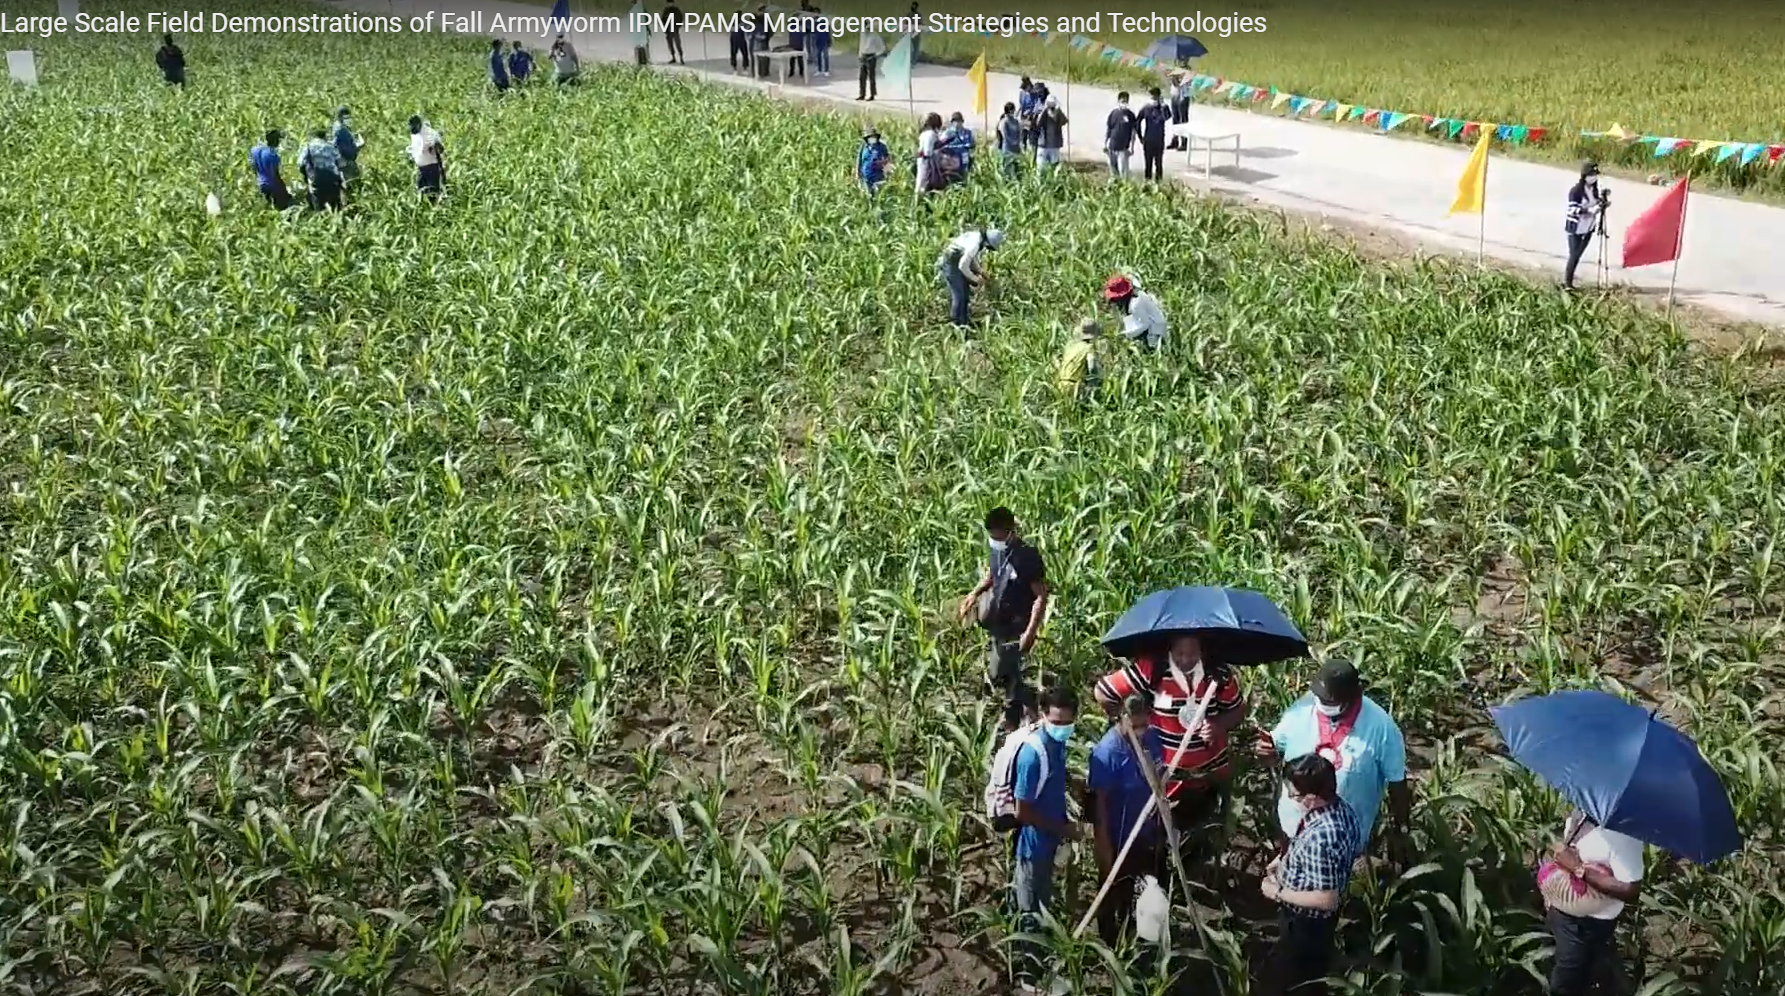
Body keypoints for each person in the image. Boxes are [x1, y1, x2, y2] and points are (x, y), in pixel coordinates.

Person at [1093, 634, 1249, 862]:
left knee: (1201, 835)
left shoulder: (1218, 674)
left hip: (1209, 775)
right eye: (1179, 654)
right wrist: (1127, 723)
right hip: (1165, 777)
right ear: (1169, 650)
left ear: (1203, 652)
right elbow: (1104, 692)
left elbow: (1237, 710)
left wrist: (1219, 726)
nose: (1185, 660)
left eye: (1192, 654)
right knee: (1160, 838)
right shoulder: (1152, 669)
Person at [1256, 660, 1412, 861]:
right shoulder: (1301, 709)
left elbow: (1397, 782)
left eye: (1331, 701)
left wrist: (1401, 827)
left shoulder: (1382, 728)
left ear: (1355, 695)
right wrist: (1267, 752)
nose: (1322, 705)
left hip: (1342, 840)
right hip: (1293, 827)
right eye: (1320, 698)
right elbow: (1276, 749)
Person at [1259, 754, 1363, 996]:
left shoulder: (1321, 838)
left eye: (1294, 794)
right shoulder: (1341, 809)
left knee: (1300, 980)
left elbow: (1327, 899)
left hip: (1306, 923)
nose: (1291, 799)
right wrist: (1284, 860)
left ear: (1312, 797)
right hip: (1315, 923)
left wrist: (1278, 893)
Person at [1009, 686, 1084, 994]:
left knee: (1042, 905)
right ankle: (1028, 976)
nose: (1062, 728)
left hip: (1049, 841)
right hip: (1032, 847)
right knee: (1030, 909)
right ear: (1043, 715)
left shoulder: (1057, 743)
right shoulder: (1032, 754)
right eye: (1056, 721)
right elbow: (1022, 811)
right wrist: (1063, 828)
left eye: (1068, 722)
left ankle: (1039, 960)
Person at [1088, 693, 1167, 948]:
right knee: (1114, 889)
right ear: (1120, 719)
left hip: (1146, 829)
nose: (1140, 732)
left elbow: (1159, 773)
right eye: (1134, 726)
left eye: (1144, 724)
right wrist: (1103, 843)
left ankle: (1138, 933)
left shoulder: (1152, 738)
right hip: (1119, 834)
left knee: (1144, 887)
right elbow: (1099, 802)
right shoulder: (1108, 752)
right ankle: (1110, 942)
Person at [958, 505, 1047, 729]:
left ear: (1010, 532)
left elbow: (1040, 597)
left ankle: (1012, 720)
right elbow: (992, 575)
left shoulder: (1028, 557)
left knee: (1010, 671)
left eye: (997, 536)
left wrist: (1030, 632)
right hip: (998, 621)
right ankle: (1031, 704)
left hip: (1017, 624)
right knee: (999, 672)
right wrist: (974, 593)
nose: (993, 540)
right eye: (991, 536)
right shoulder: (998, 550)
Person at [1543, 812, 1644, 996]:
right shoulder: (1581, 813)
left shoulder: (1624, 838)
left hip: (1594, 917)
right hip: (1565, 907)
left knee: (1573, 964)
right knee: (1575, 962)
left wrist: (1577, 868)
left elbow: (1630, 890)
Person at [935, 226, 1003, 328]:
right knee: (959, 295)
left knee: (965, 293)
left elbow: (970, 258)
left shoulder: (976, 237)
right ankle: (956, 325)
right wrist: (976, 279)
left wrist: (980, 271)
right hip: (951, 263)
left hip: (957, 260)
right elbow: (963, 265)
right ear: (987, 242)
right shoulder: (975, 245)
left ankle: (964, 321)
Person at [1564, 161, 1607, 292]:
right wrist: (1589, 211)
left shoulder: (1594, 189)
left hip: (1588, 227)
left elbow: (1595, 202)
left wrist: (1602, 203)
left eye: (1595, 175)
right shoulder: (1576, 191)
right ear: (1585, 176)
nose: (1594, 177)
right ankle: (1567, 283)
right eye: (1591, 174)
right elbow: (1572, 210)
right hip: (1575, 228)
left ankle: (1570, 279)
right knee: (1574, 255)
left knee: (1578, 255)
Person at [1102, 275, 1167, 351]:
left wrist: (1126, 334)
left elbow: (1145, 324)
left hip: (1155, 329)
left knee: (1136, 344)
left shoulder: (1135, 305)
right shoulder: (1137, 295)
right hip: (1150, 320)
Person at [1056, 319, 1107, 400]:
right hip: (1074, 387)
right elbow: (1092, 367)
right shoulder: (1088, 347)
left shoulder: (1070, 346)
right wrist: (1093, 384)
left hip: (1060, 384)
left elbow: (1059, 360)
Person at [298, 129, 345, 212]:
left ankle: (321, 220)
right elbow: (341, 164)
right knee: (335, 206)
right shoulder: (330, 146)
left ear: (313, 137)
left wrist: (307, 176)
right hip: (332, 179)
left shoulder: (307, 147)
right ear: (324, 136)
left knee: (318, 205)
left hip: (316, 180)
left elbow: (301, 163)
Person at [250, 131, 293, 210]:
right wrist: (283, 188)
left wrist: (258, 178)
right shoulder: (273, 155)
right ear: (276, 141)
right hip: (272, 185)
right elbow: (274, 174)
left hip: (260, 182)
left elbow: (253, 166)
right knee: (282, 208)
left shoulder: (254, 150)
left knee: (267, 207)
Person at [1137, 86, 1172, 182]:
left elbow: (1167, 117)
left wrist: (1163, 106)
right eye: (1152, 97)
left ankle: (1158, 183)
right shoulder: (1146, 108)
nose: (1153, 99)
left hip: (1159, 140)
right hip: (1148, 140)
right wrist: (1140, 136)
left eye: (1155, 97)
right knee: (1148, 164)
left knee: (1159, 164)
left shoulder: (1163, 108)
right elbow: (1137, 122)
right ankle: (1147, 183)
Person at [408, 115, 445, 199]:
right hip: (421, 167)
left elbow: (440, 149)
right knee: (421, 190)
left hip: (431, 166)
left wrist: (434, 146)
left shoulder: (429, 134)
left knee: (433, 190)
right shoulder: (415, 134)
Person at [1105, 91, 1137, 179]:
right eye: (1122, 101)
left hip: (1123, 148)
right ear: (1118, 101)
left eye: (1126, 101)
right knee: (1113, 169)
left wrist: (1132, 147)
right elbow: (1109, 129)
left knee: (1123, 170)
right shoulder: (1113, 114)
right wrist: (1105, 143)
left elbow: (1133, 132)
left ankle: (1124, 187)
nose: (1124, 103)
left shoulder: (1130, 115)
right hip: (1112, 146)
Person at [332, 107, 363, 186]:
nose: (348, 119)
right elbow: (344, 149)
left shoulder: (338, 127)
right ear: (340, 117)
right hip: (346, 162)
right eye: (346, 117)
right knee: (353, 183)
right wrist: (356, 148)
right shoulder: (341, 130)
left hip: (341, 161)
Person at [941, 111, 974, 183]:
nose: (956, 124)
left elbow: (971, 144)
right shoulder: (947, 133)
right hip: (952, 159)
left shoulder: (967, 132)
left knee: (964, 175)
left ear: (962, 122)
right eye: (955, 121)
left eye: (958, 121)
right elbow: (942, 144)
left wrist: (967, 146)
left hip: (964, 158)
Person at [1036, 96, 1067, 173]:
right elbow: (1038, 123)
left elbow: (1064, 121)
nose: (1051, 108)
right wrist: (1045, 109)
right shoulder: (1044, 113)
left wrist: (1058, 111)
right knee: (1040, 169)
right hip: (1043, 145)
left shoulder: (1058, 114)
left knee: (1054, 169)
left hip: (1054, 146)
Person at [915, 112, 943, 195]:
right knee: (924, 182)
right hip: (926, 162)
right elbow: (928, 152)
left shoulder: (924, 133)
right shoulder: (930, 134)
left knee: (920, 181)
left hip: (921, 161)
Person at [857, 125, 890, 195]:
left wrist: (882, 164)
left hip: (877, 176)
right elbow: (859, 160)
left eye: (873, 137)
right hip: (865, 175)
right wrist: (857, 173)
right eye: (870, 137)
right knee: (867, 194)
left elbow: (888, 159)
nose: (872, 139)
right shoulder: (864, 146)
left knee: (877, 194)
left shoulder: (882, 147)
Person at [996, 102, 1024, 178]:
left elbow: (1020, 133)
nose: (1013, 112)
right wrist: (1013, 142)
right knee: (1007, 171)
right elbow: (1004, 135)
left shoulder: (1016, 121)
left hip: (1016, 150)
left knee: (1017, 170)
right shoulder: (1004, 121)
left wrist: (1018, 142)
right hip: (1008, 149)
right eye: (1012, 110)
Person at [856, 30, 884, 100]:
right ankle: (862, 94)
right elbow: (861, 45)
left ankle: (872, 94)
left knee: (871, 76)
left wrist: (876, 55)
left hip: (871, 57)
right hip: (863, 56)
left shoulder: (874, 36)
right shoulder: (862, 35)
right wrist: (860, 55)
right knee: (862, 77)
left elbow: (882, 47)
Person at [1168, 69, 1192, 151]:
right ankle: (1175, 140)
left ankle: (1184, 142)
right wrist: (1172, 77)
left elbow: (1180, 84)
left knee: (1183, 119)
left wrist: (1176, 78)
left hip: (1183, 96)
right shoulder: (1175, 69)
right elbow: (1174, 84)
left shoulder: (1188, 71)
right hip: (1175, 95)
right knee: (1175, 119)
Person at [811, 5, 831, 77]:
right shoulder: (812, 21)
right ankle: (819, 70)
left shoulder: (823, 21)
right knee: (818, 56)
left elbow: (828, 31)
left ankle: (826, 70)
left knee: (825, 56)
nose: (815, 14)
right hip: (817, 41)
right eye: (814, 13)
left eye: (816, 13)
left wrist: (829, 40)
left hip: (824, 40)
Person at [629, 1, 651, 66]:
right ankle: (645, 58)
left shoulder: (633, 11)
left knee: (638, 45)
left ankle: (639, 59)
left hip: (638, 30)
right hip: (641, 30)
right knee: (644, 44)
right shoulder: (641, 10)